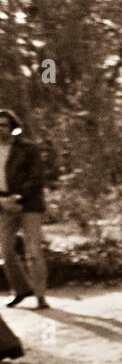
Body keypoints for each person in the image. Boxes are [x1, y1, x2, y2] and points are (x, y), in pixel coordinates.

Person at [0, 109, 48, 309]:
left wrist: (18, 197)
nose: (1, 129)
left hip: (29, 204)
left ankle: (40, 297)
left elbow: (37, 177)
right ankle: (21, 290)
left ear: (13, 127)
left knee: (33, 252)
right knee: (5, 250)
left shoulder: (28, 148)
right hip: (3, 205)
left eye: (4, 125)